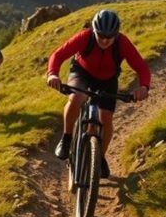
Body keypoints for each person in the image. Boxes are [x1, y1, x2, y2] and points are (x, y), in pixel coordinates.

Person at [45, 9, 150, 178]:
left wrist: (144, 87)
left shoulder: (122, 43)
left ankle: (99, 157)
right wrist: (52, 74)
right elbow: (58, 55)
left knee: (106, 117)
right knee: (76, 97)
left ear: (116, 34)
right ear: (94, 30)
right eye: (101, 35)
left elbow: (142, 67)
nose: (105, 40)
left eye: (110, 36)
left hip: (107, 79)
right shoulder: (85, 37)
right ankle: (66, 138)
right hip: (82, 72)